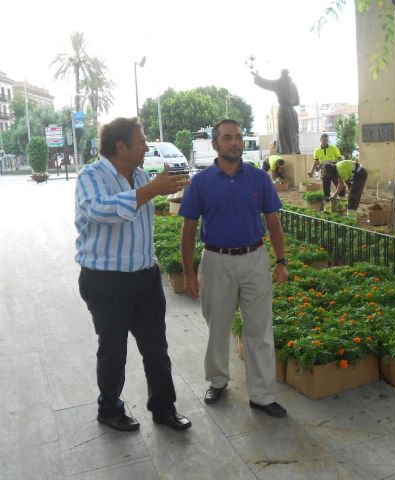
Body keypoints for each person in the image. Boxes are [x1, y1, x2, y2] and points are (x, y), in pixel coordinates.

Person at [75, 117, 192, 432]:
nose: (146, 147)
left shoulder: (140, 175)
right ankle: (109, 408)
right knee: (113, 349)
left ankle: (164, 408)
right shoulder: (91, 175)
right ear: (121, 146)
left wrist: (174, 190)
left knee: (156, 348)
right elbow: (101, 210)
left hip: (145, 277)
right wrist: (152, 189)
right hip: (106, 281)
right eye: (141, 142)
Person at [179, 119, 289, 419]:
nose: (235, 143)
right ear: (215, 144)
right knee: (218, 326)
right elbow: (188, 230)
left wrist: (281, 261)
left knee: (260, 330)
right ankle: (217, 381)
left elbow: (273, 222)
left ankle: (263, 396)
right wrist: (189, 273)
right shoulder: (200, 182)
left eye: (239, 137)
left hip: (254, 259)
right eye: (228, 138)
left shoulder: (259, 179)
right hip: (216, 262)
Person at [252, 69, 300, 154]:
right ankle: (294, 150)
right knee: (293, 134)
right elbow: (297, 101)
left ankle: (286, 151)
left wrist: (257, 77)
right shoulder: (294, 85)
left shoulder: (280, 83)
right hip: (293, 112)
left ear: (282, 74)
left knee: (284, 133)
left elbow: (266, 83)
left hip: (284, 111)